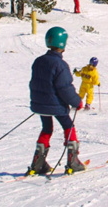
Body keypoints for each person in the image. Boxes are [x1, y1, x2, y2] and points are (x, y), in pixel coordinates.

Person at [27, 26, 86, 176]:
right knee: (68, 126)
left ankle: (38, 163)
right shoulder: (60, 65)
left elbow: (35, 83)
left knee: (47, 128)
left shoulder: (39, 61)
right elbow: (64, 88)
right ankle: (73, 161)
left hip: (40, 104)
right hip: (55, 105)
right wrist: (77, 102)